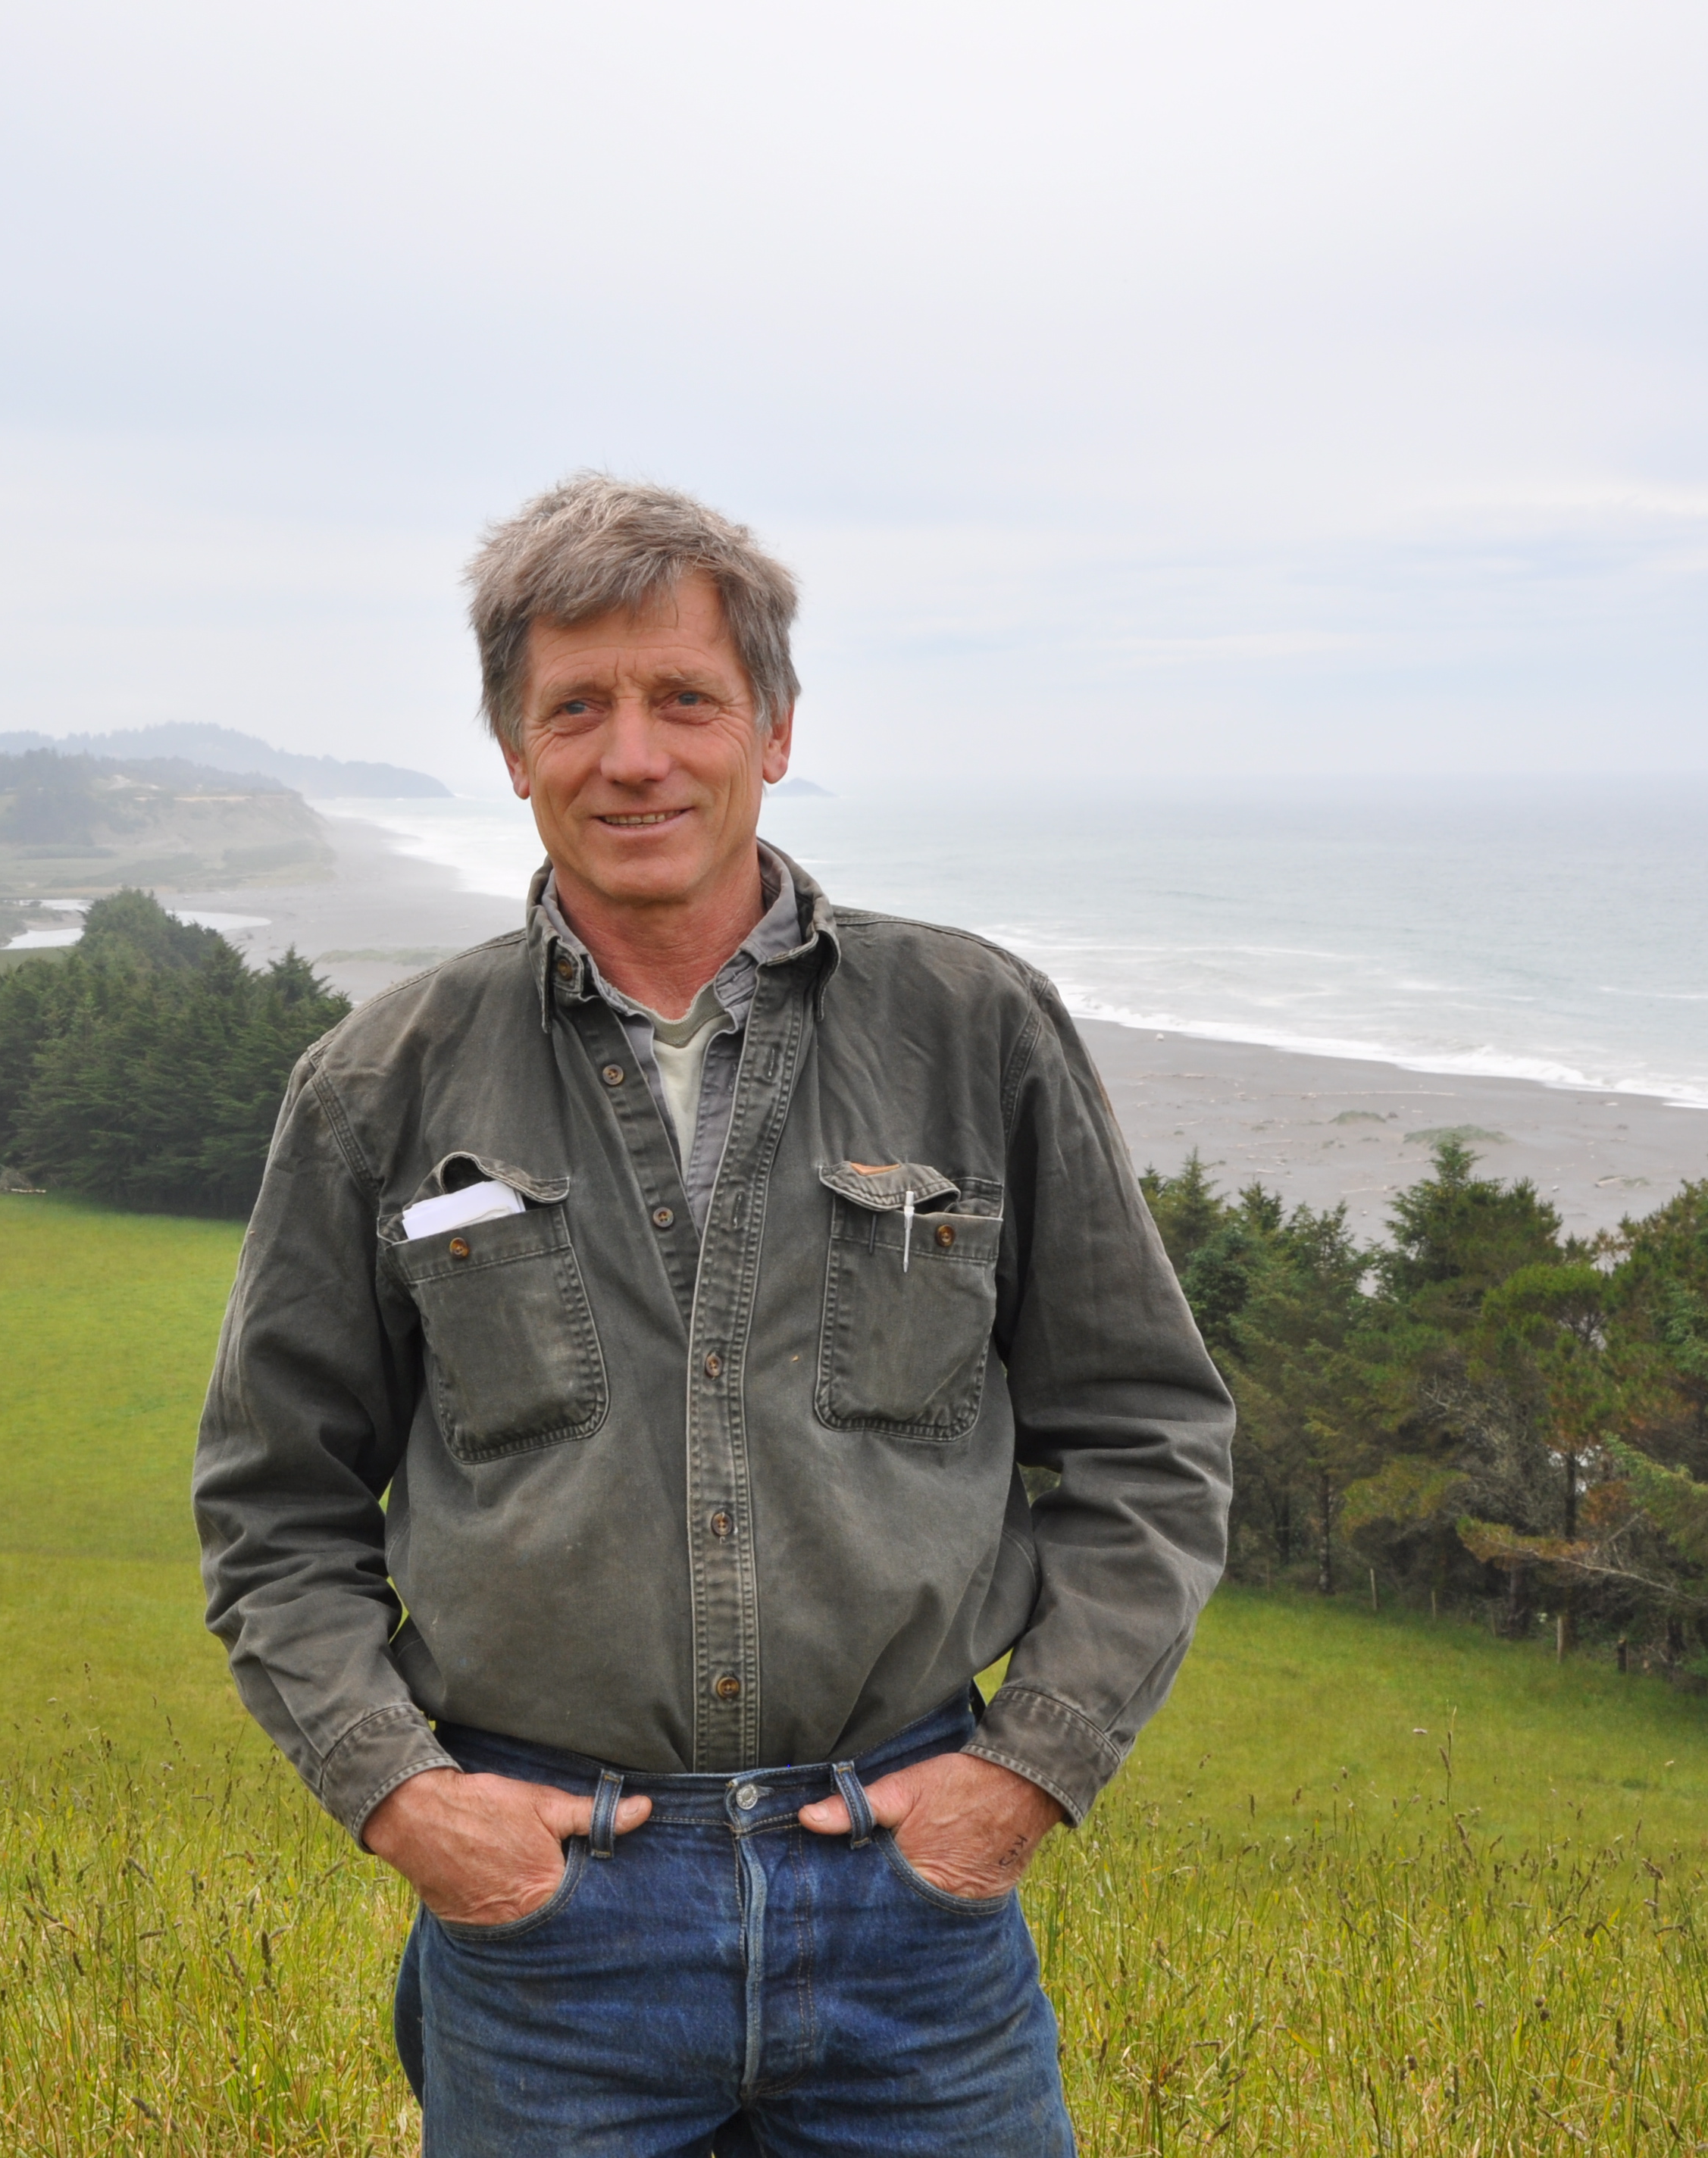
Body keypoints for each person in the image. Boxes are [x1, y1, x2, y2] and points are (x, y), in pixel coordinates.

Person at [193, 474, 1234, 2153]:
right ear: (512, 748)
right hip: (550, 1929)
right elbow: (273, 1503)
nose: (633, 755)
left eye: (683, 698)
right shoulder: (375, 1082)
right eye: (575, 708)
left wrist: (1025, 1768)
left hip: (910, 1907)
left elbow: (1147, 1435)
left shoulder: (973, 1024)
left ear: (773, 727)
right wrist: (402, 1796)